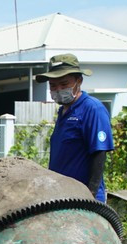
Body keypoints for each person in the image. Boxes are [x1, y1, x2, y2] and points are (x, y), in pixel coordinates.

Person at [36, 53, 114, 202]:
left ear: (79, 81)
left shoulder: (92, 108)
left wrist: (90, 196)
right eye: (53, 85)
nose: (58, 89)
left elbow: (99, 153)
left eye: (64, 84)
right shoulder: (63, 112)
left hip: (83, 198)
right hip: (61, 195)